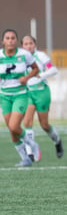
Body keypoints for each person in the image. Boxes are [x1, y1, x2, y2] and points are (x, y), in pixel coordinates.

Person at [0, 29, 41, 167]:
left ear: (16, 41)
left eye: (13, 38)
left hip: (20, 95)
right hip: (4, 96)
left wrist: (27, 77)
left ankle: (32, 144)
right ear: (3, 41)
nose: (10, 40)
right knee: (12, 130)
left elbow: (35, 69)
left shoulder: (24, 54)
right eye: (7, 38)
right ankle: (25, 159)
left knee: (14, 125)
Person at [21, 35, 64, 160]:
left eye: (31, 43)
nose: (28, 46)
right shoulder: (20, 58)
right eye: (26, 44)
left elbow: (53, 69)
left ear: (35, 44)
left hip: (42, 92)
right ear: (22, 46)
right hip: (28, 93)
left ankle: (57, 141)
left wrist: (41, 75)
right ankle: (30, 152)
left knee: (44, 125)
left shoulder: (41, 56)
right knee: (27, 122)